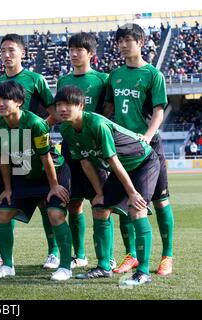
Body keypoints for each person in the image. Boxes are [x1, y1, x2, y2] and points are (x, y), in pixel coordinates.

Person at [57, 85, 159, 285]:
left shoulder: (97, 124)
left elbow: (114, 161)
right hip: (120, 168)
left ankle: (144, 273)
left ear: (80, 105)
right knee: (99, 208)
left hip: (143, 163)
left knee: (136, 209)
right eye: (59, 105)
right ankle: (104, 267)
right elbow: (85, 162)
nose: (62, 109)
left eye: (68, 104)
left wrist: (132, 193)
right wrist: (99, 193)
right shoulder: (66, 129)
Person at [104, 23, 175, 276]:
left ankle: (167, 256)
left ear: (141, 43)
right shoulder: (114, 75)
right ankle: (131, 256)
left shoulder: (153, 75)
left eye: (128, 40)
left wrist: (146, 136)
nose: (123, 45)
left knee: (161, 200)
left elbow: (158, 111)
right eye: (120, 40)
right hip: (123, 146)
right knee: (125, 202)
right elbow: (108, 111)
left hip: (149, 147)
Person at [0, 80, 71, 280]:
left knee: (54, 212)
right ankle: (7, 265)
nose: (0, 103)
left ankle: (66, 266)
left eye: (6, 99)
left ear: (18, 102)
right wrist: (7, 189)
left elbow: (46, 157)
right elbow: (4, 159)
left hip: (52, 172)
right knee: (2, 214)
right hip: (24, 173)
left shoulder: (35, 123)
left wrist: (53, 186)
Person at [0, 33, 60, 269]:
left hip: (35, 152)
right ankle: (4, 257)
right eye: (3, 51)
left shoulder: (35, 79)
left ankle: (53, 252)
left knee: (44, 203)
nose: (7, 55)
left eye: (11, 50)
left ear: (23, 53)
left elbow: (55, 111)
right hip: (9, 154)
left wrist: (36, 131)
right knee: (6, 198)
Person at [56, 32, 116, 270]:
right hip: (70, 147)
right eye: (71, 49)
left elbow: (109, 110)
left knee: (101, 203)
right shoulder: (63, 81)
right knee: (73, 203)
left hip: (96, 150)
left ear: (91, 53)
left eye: (79, 49)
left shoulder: (103, 79)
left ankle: (108, 257)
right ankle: (79, 254)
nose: (73, 53)